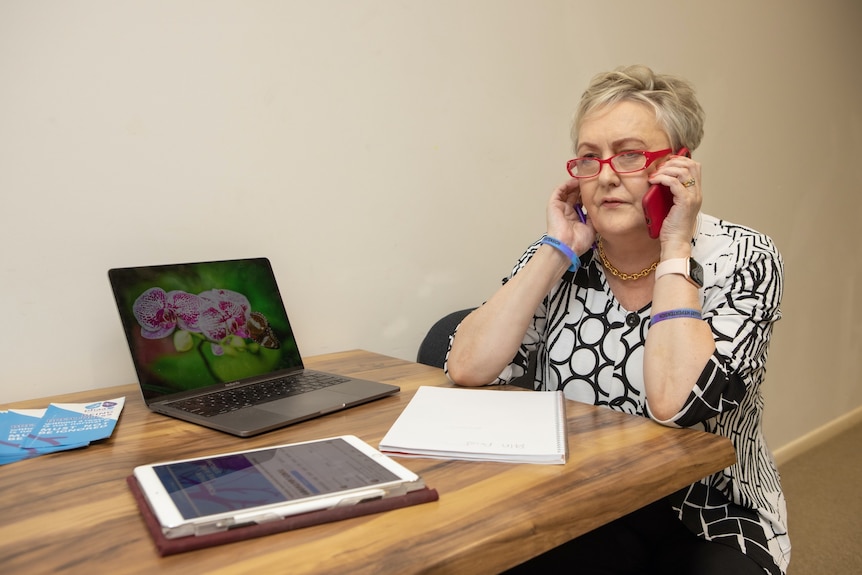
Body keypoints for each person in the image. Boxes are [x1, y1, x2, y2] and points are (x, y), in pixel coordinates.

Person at [445, 65, 790, 575]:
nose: (605, 175)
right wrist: (556, 248)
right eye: (589, 158)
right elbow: (466, 367)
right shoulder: (561, 259)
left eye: (629, 155)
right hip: (575, 505)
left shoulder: (744, 255)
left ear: (679, 166)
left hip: (709, 512)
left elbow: (677, 402)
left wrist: (676, 246)